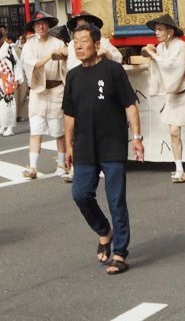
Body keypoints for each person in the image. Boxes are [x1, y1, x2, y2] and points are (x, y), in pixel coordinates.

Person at [63, 17, 142, 276]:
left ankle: (120, 252)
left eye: (83, 42)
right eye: (75, 43)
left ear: (97, 44)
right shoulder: (73, 76)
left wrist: (138, 138)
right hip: (84, 145)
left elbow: (130, 104)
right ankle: (104, 231)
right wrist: (68, 145)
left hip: (112, 143)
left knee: (116, 198)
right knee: (80, 194)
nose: (78, 47)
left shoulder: (112, 70)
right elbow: (69, 114)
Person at [143, 14, 185, 183]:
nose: (156, 32)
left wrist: (153, 54)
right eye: (156, 29)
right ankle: (179, 169)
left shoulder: (180, 45)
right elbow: (156, 61)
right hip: (173, 94)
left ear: (170, 31)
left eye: (160, 29)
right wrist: (148, 51)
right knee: (173, 132)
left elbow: (172, 66)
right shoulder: (161, 47)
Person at [20, 14, 69, 179]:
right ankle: (33, 166)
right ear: (33, 28)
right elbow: (34, 64)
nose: (41, 27)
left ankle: (62, 164)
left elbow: (65, 56)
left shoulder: (58, 42)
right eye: (38, 24)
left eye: (44, 24)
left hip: (56, 89)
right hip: (38, 92)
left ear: (49, 26)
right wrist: (51, 56)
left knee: (58, 130)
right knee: (36, 129)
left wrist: (63, 53)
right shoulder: (29, 45)